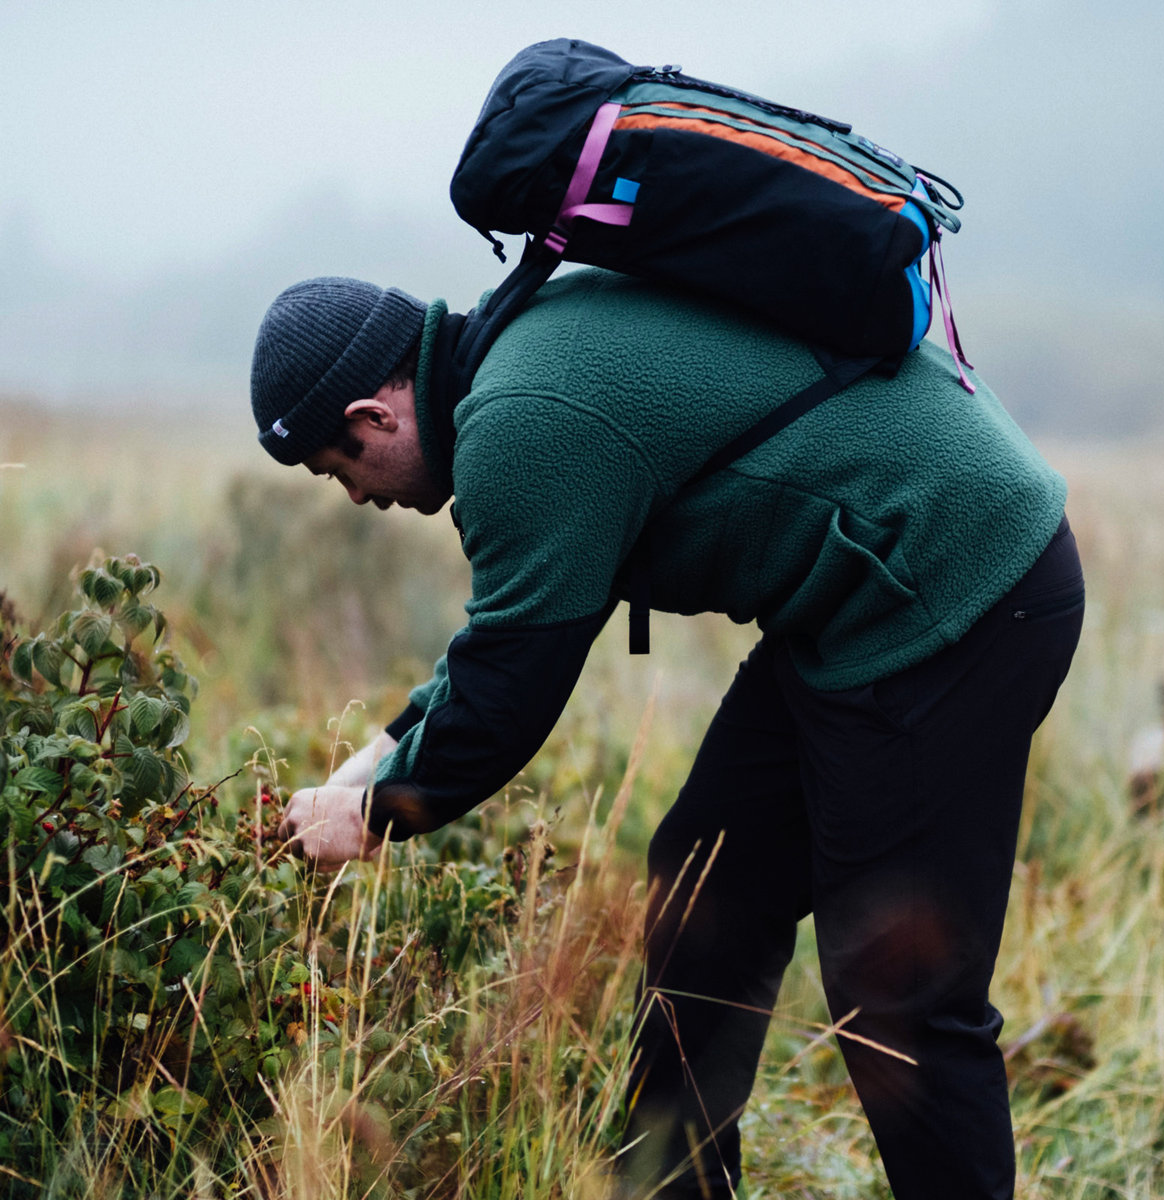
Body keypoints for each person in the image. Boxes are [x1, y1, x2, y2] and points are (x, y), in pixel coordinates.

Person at [251, 268, 1084, 1200]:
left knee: (899, 991)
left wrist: (371, 815)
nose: (356, 499)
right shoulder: (521, 354)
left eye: (340, 471)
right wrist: (385, 752)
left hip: (955, 580)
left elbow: (505, 701)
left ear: (374, 416)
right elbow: (507, 633)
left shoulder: (520, 424)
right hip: (860, 597)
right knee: (707, 885)